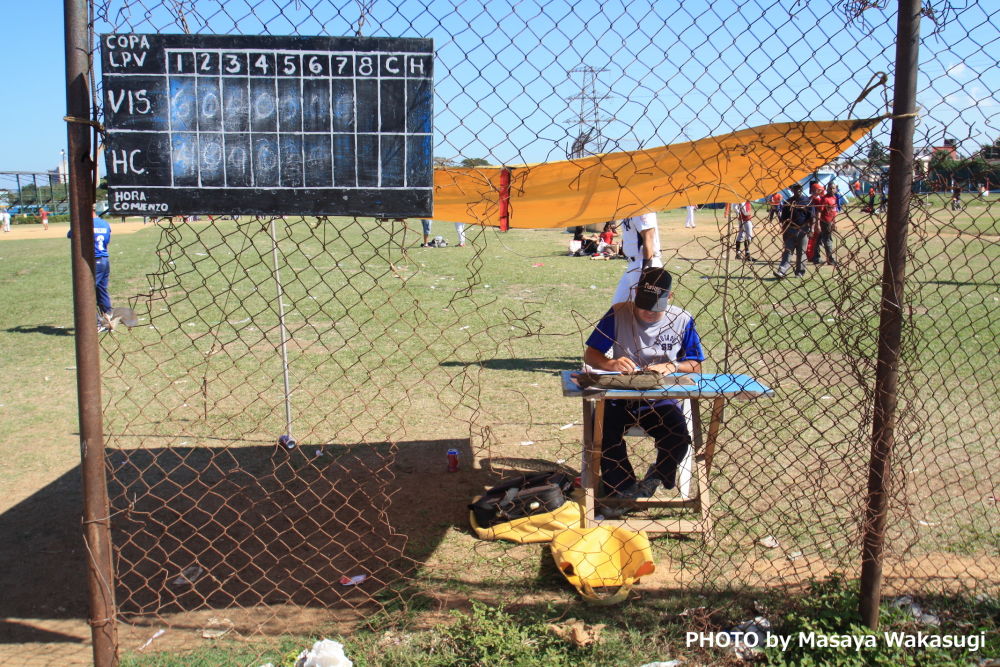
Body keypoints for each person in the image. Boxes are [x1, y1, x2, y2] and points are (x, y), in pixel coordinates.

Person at [583, 267, 705, 498]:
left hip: (660, 398)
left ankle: (658, 475)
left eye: (655, 306)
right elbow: (591, 355)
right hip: (619, 396)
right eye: (643, 304)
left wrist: (672, 366)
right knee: (601, 430)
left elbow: (695, 365)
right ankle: (622, 487)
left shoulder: (682, 319)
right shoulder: (618, 313)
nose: (648, 312)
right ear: (635, 292)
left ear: (670, 297)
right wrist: (612, 364)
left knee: (678, 436)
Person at [67, 208, 113, 331]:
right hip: (104, 259)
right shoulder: (105, 224)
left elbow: (71, 235)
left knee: (86, 292)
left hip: (93, 261)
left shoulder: (84, 224)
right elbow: (107, 241)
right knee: (101, 289)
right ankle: (108, 317)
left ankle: (97, 322)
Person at [612, 211, 662, 304]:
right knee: (618, 305)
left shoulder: (644, 210)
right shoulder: (628, 208)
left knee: (644, 307)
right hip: (633, 265)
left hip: (644, 263)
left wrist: (647, 274)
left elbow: (648, 239)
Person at [774, 183, 815, 278]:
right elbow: (783, 219)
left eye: (799, 188)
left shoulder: (807, 201)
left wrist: (811, 229)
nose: (798, 190)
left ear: (802, 189)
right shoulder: (788, 202)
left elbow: (812, 217)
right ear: (792, 190)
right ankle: (782, 271)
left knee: (801, 252)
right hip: (790, 230)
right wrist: (784, 230)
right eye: (795, 188)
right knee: (788, 250)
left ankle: (799, 272)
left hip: (803, 230)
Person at [810, 185, 839, 266]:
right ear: (827, 189)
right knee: (827, 241)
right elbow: (819, 211)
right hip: (824, 222)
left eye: (833, 188)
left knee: (818, 240)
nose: (831, 190)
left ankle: (816, 258)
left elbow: (833, 212)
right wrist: (818, 224)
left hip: (830, 222)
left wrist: (834, 223)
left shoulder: (834, 198)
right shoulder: (824, 199)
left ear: (836, 189)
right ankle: (830, 259)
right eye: (830, 188)